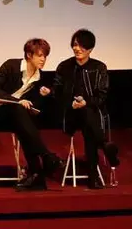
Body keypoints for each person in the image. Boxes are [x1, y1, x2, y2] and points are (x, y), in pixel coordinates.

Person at [0, 38, 64, 191]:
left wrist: (43, 96)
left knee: (24, 122)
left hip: (18, 118)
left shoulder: (39, 77)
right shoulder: (11, 65)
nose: (43, 59)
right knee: (19, 110)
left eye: (45, 56)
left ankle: (36, 175)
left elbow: (34, 105)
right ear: (29, 55)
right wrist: (16, 101)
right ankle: (46, 156)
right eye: (40, 55)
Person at [51, 29, 119, 189]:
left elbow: (102, 96)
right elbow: (57, 92)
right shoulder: (64, 66)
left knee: (89, 123)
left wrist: (86, 102)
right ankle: (104, 146)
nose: (77, 49)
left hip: (92, 113)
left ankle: (94, 177)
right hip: (70, 114)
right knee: (89, 120)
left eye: (82, 46)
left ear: (90, 49)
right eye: (75, 45)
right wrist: (67, 101)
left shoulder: (99, 67)